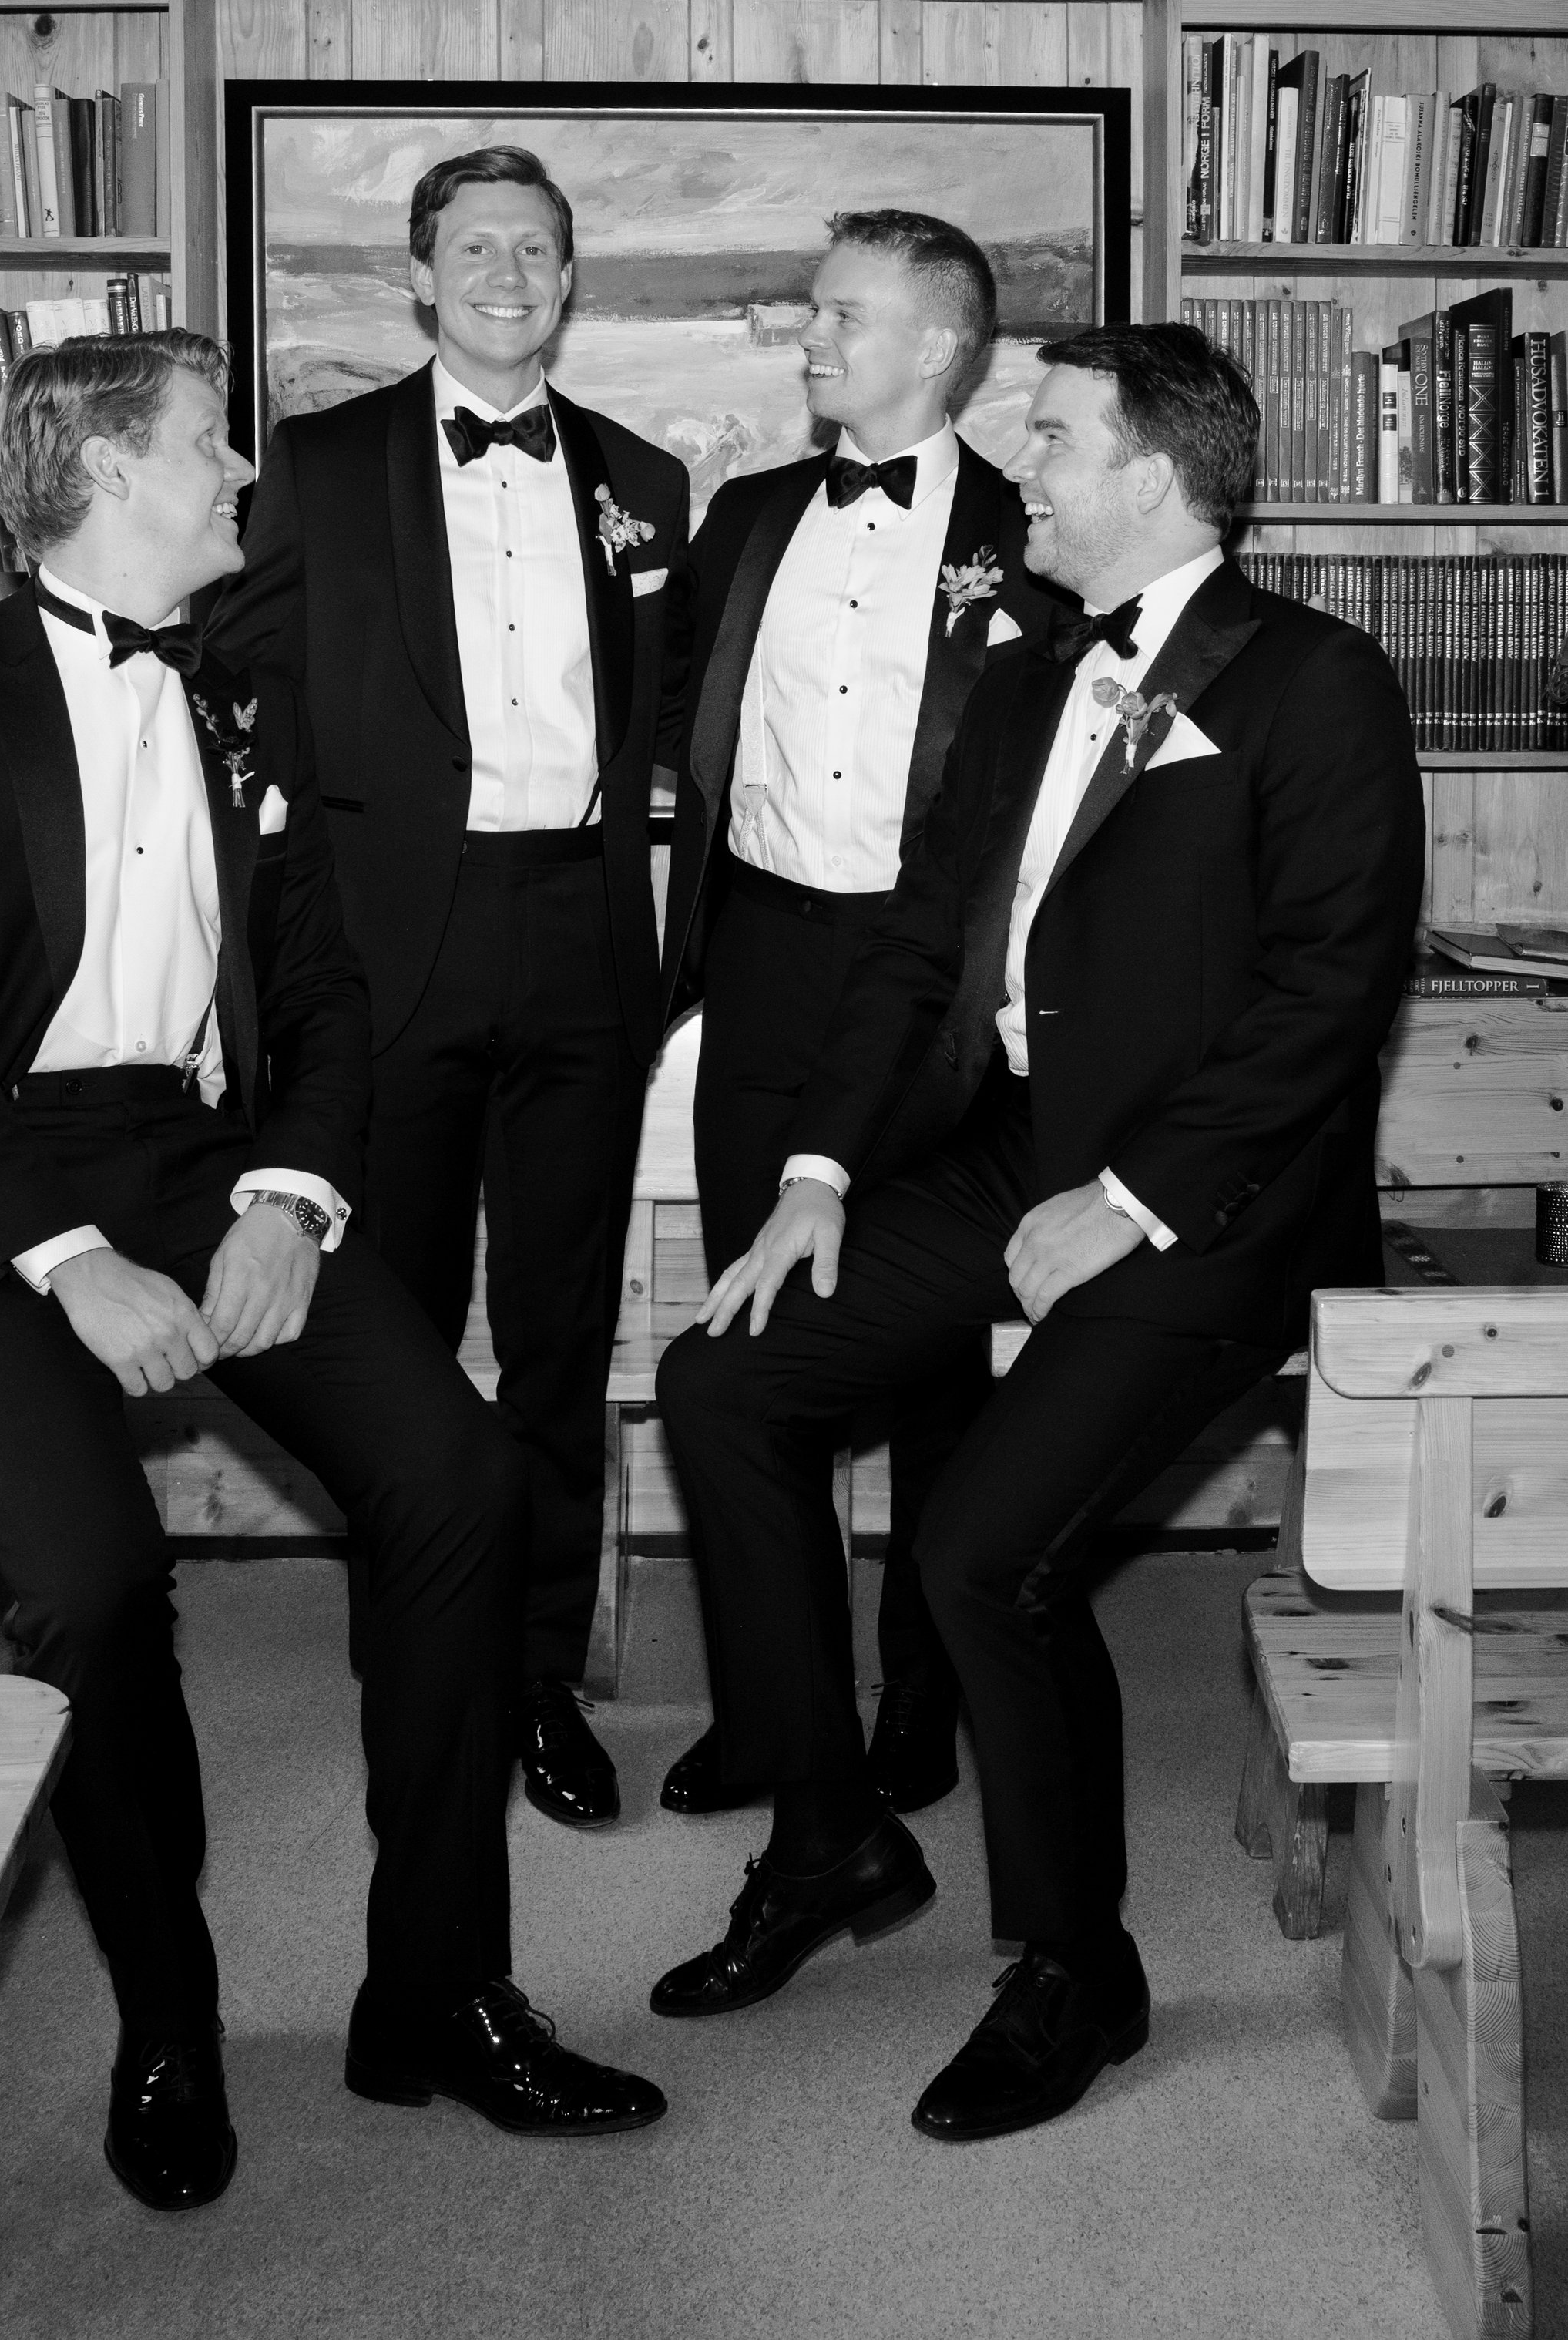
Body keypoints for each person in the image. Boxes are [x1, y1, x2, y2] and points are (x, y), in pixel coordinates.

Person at [0, 331, 665, 2210]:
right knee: (90, 1585)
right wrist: (69, 1256)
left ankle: (438, 1988)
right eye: (208, 449)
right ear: (105, 476)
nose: (243, 478)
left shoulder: (254, 688)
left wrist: (288, 1197)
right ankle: (166, 2014)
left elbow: (326, 990)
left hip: (205, 1159)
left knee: (460, 1478)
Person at [647, 321, 1424, 2140]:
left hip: (1212, 1211)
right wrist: (818, 1181)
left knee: (981, 1550)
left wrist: (1137, 1199)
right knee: (721, 1384)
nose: (1028, 475)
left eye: (1055, 441)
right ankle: (830, 1837)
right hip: (1012, 1163)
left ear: (1149, 476)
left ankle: (1077, 1965)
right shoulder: (1020, 684)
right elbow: (921, 957)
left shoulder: (1316, 682)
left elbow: (1330, 993)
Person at [209, 146, 690, 1830]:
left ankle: (541, 1671)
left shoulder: (644, 479)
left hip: (575, 931)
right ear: (418, 279)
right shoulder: (318, 465)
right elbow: (222, 674)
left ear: (570, 278)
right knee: (393, 1344)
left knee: (560, 1335)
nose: (507, 271)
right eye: (473, 247)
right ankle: (420, 1671)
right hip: (377, 941)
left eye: (537, 247)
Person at [656, 210, 1049, 1822]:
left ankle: (919, 1702)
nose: (805, 340)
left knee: (930, 1349)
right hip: (758, 958)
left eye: (837, 316)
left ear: (939, 347)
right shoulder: (746, 514)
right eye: (810, 313)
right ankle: (776, 1712)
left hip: (932, 985)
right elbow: (665, 721)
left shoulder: (1035, 534)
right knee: (750, 1343)